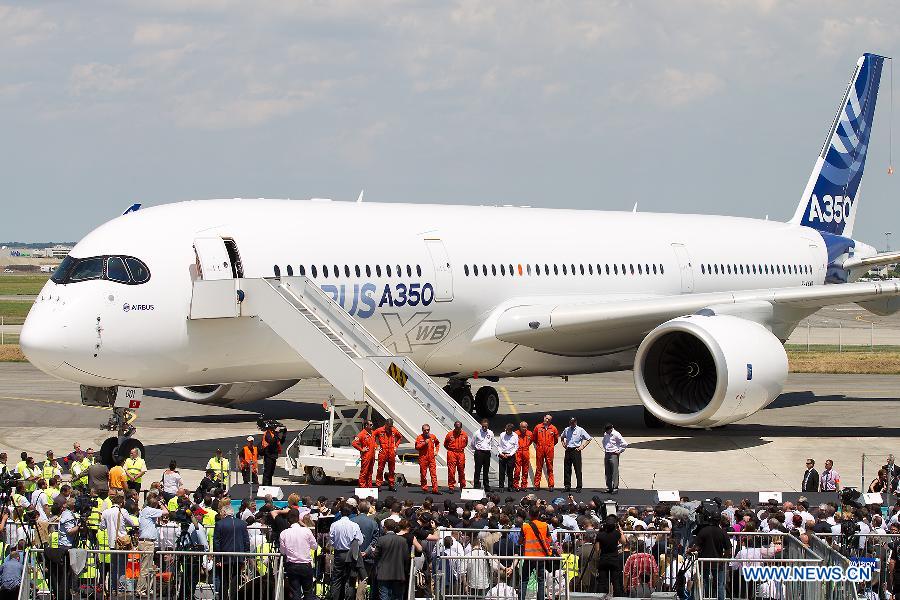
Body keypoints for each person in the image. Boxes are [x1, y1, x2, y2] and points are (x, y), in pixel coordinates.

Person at [213, 504, 251, 600]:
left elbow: (216, 542)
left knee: (224, 581)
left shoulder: (219, 524)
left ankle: (223, 598)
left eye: (221, 513)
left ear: (224, 512)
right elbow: (246, 540)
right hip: (239, 556)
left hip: (224, 557)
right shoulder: (242, 523)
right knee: (235, 580)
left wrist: (217, 558)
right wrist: (246, 555)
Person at [280, 508, 319, 600]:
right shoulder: (306, 531)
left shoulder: (284, 533)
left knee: (295, 593)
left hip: (292, 565)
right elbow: (315, 546)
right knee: (308, 592)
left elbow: (283, 551)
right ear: (298, 519)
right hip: (305, 565)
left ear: (288, 520)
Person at [690, 507, 728, 600]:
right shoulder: (722, 532)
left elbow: (697, 547)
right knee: (720, 584)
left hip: (705, 562)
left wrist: (690, 550)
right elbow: (728, 550)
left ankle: (705, 597)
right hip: (718, 562)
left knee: (705, 582)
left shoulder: (703, 531)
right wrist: (723, 558)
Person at [329, 505, 364, 600]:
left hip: (339, 553)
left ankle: (334, 598)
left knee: (337, 578)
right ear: (350, 514)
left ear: (340, 512)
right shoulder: (354, 525)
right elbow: (360, 541)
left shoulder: (334, 524)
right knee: (350, 578)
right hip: (350, 553)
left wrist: (337, 544)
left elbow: (331, 540)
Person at [519, 506, 552, 600]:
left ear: (529, 514)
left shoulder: (525, 526)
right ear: (538, 515)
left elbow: (520, 541)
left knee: (524, 580)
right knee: (541, 581)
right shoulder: (545, 525)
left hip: (528, 557)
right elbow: (549, 540)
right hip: (541, 557)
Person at [370, 519, 408, 600]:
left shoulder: (381, 540)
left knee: (384, 597)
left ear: (385, 528)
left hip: (383, 574)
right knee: (397, 597)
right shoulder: (403, 541)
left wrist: (373, 551)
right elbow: (406, 558)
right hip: (398, 573)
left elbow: (376, 555)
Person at [560, 417, 591, 492]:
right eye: (571, 422)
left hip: (576, 450)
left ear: (576, 422)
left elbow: (589, 438)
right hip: (568, 450)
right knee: (567, 468)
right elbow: (562, 437)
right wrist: (563, 444)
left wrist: (582, 446)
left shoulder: (580, 430)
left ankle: (579, 486)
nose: (572, 423)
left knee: (577, 469)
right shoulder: (566, 429)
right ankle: (567, 486)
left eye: (573, 422)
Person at [374, 419, 403, 491]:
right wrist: (376, 446)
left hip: (391, 452)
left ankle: (391, 485)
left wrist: (396, 446)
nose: (390, 428)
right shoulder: (379, 430)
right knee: (380, 469)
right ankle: (378, 485)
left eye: (391, 426)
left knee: (392, 469)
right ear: (386, 424)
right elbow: (372, 436)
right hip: (383, 451)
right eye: (389, 426)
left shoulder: (394, 430)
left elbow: (400, 437)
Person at [533, 415, 559, 491]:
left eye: (549, 419)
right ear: (544, 418)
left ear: (550, 421)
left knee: (550, 467)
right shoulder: (538, 427)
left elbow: (556, 440)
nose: (547, 420)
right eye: (546, 418)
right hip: (540, 449)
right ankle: (537, 485)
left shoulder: (553, 428)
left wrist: (550, 446)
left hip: (549, 450)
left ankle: (551, 485)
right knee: (539, 467)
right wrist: (539, 445)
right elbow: (534, 438)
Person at [601, 423, 627, 494]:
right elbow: (604, 442)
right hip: (607, 453)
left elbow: (624, 444)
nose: (606, 431)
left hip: (613, 454)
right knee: (607, 471)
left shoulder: (616, 434)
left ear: (611, 429)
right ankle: (609, 487)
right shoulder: (605, 434)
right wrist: (606, 448)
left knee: (614, 471)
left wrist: (619, 451)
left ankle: (615, 487)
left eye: (607, 430)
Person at [415, 423, 441, 494]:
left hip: (431, 458)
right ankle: (424, 488)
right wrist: (424, 443)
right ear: (422, 430)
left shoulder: (433, 436)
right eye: (425, 430)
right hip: (423, 458)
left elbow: (438, 443)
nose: (426, 431)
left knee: (433, 474)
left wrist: (436, 451)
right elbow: (416, 447)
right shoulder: (419, 437)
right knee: (423, 474)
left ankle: (435, 490)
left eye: (428, 430)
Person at [444, 421, 469, 491]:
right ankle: (451, 487)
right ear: (454, 427)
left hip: (461, 453)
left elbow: (466, 443)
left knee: (461, 470)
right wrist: (451, 450)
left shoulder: (464, 434)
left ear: (461, 427)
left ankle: (462, 486)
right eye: (456, 428)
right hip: (452, 453)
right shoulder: (450, 434)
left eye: (459, 428)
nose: (458, 429)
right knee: (451, 471)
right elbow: (445, 444)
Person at [352, 421, 377, 488]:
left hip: (372, 455)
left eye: (372, 425)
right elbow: (354, 443)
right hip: (366, 456)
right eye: (371, 425)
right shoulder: (361, 434)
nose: (372, 426)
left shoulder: (372, 433)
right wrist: (361, 449)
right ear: (366, 425)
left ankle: (369, 486)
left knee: (370, 472)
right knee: (364, 472)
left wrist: (376, 446)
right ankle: (362, 486)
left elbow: (374, 442)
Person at [472, 418, 495, 491]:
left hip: (487, 453)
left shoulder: (490, 433)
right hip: (479, 452)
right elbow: (473, 443)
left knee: (486, 470)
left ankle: (486, 486)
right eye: (483, 426)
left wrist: (489, 448)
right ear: (481, 425)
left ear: (488, 426)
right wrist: (477, 449)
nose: (484, 428)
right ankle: (476, 485)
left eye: (486, 426)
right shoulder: (477, 433)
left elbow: (492, 443)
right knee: (477, 469)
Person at [497, 423, 519, 492]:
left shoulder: (515, 436)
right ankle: (501, 487)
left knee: (510, 472)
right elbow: (499, 445)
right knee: (502, 472)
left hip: (510, 456)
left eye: (508, 430)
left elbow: (516, 447)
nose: (506, 431)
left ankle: (510, 486)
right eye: (506, 430)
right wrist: (501, 453)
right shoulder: (502, 435)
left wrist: (510, 454)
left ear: (511, 430)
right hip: (503, 455)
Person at [514, 421, 533, 491]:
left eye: (525, 427)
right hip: (518, 452)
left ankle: (524, 486)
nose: (524, 429)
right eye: (523, 427)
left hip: (525, 452)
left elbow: (530, 441)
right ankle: (516, 485)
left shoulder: (530, 433)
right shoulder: (516, 434)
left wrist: (525, 447)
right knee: (517, 470)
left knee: (525, 470)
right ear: (520, 427)